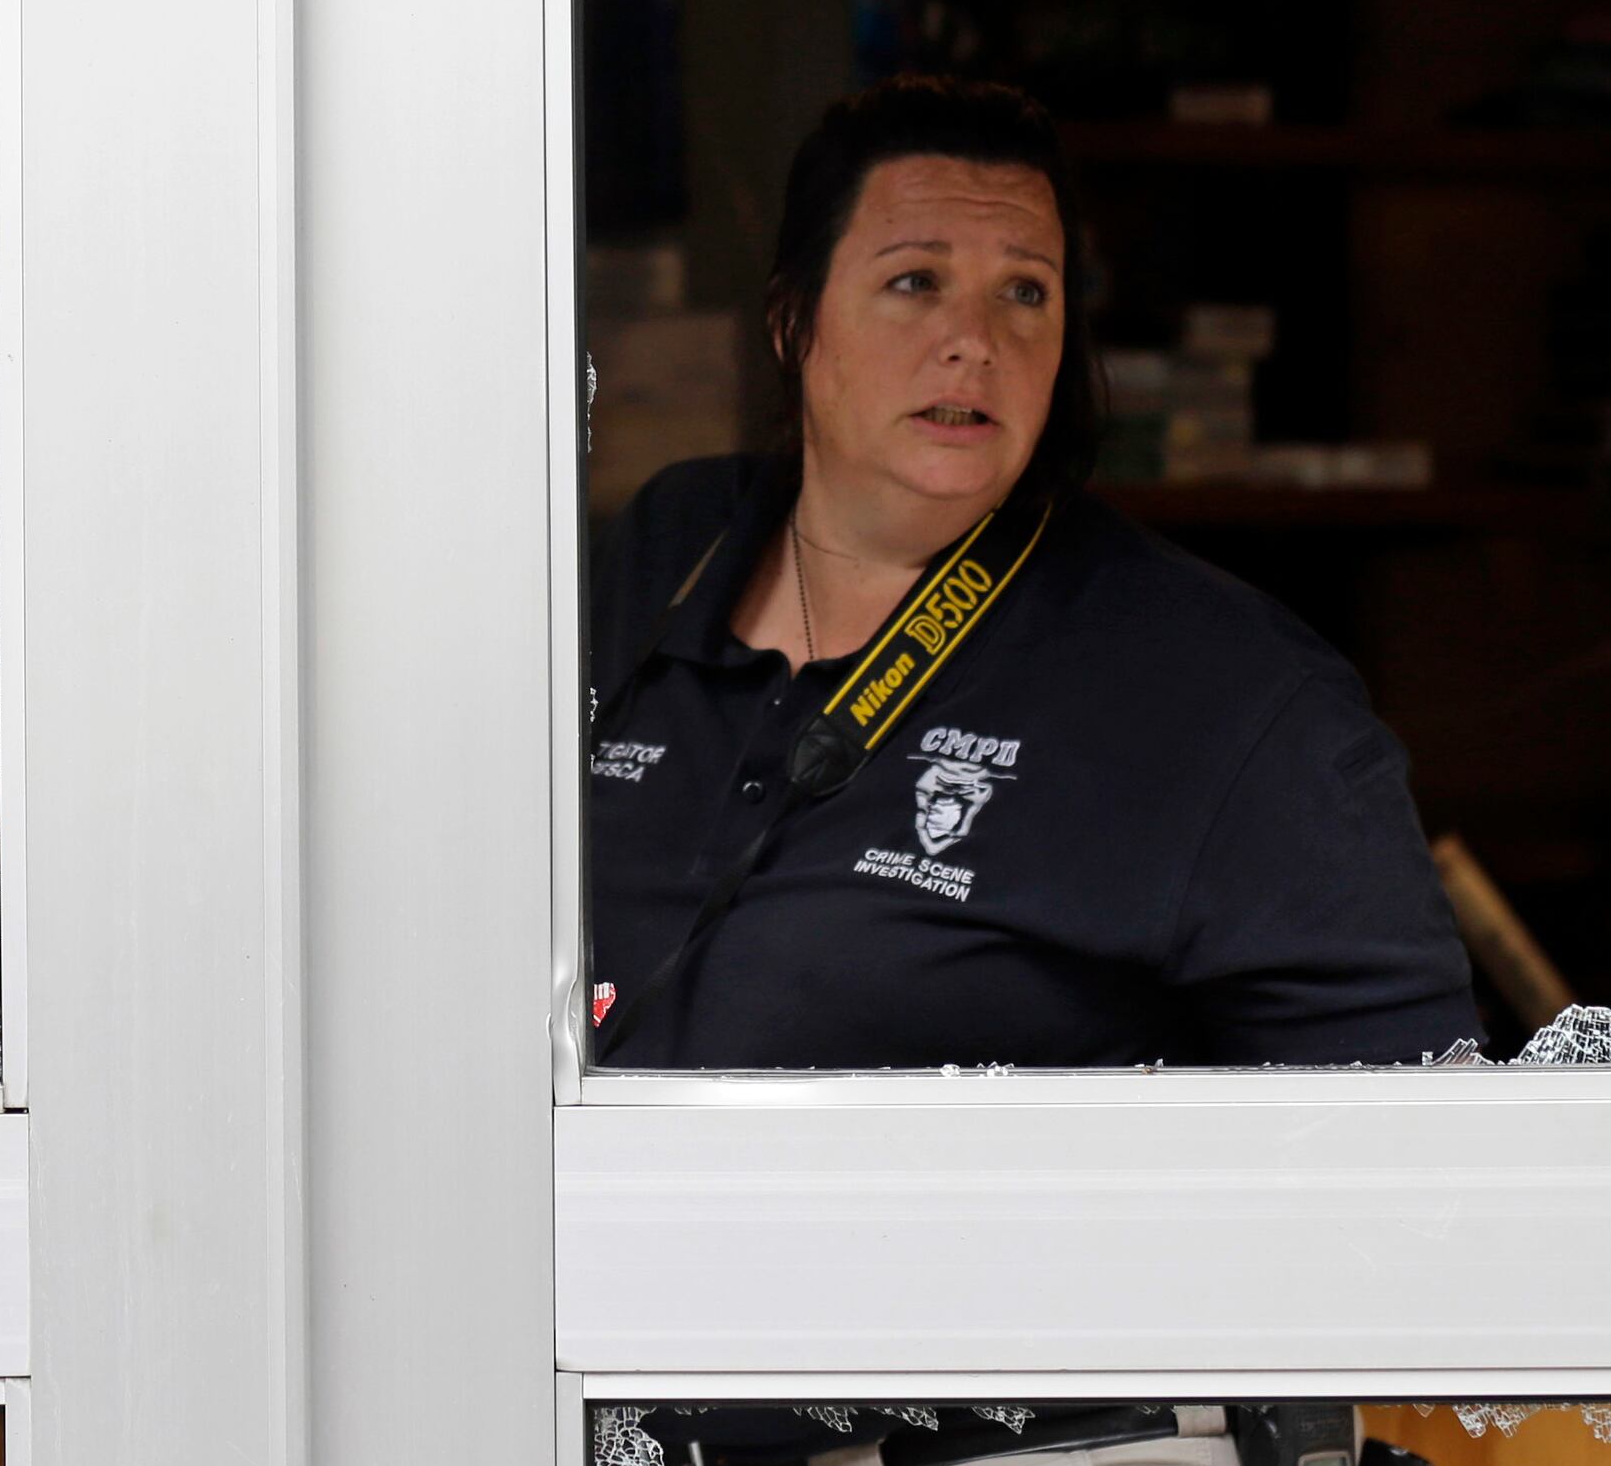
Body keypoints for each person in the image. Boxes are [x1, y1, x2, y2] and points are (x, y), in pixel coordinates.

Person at [585, 76, 1475, 1070]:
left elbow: (1410, 1149)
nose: (975, 341)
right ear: (794, 323)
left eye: (1025, 291)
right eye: (915, 280)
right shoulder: (664, 551)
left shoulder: (1231, 697)